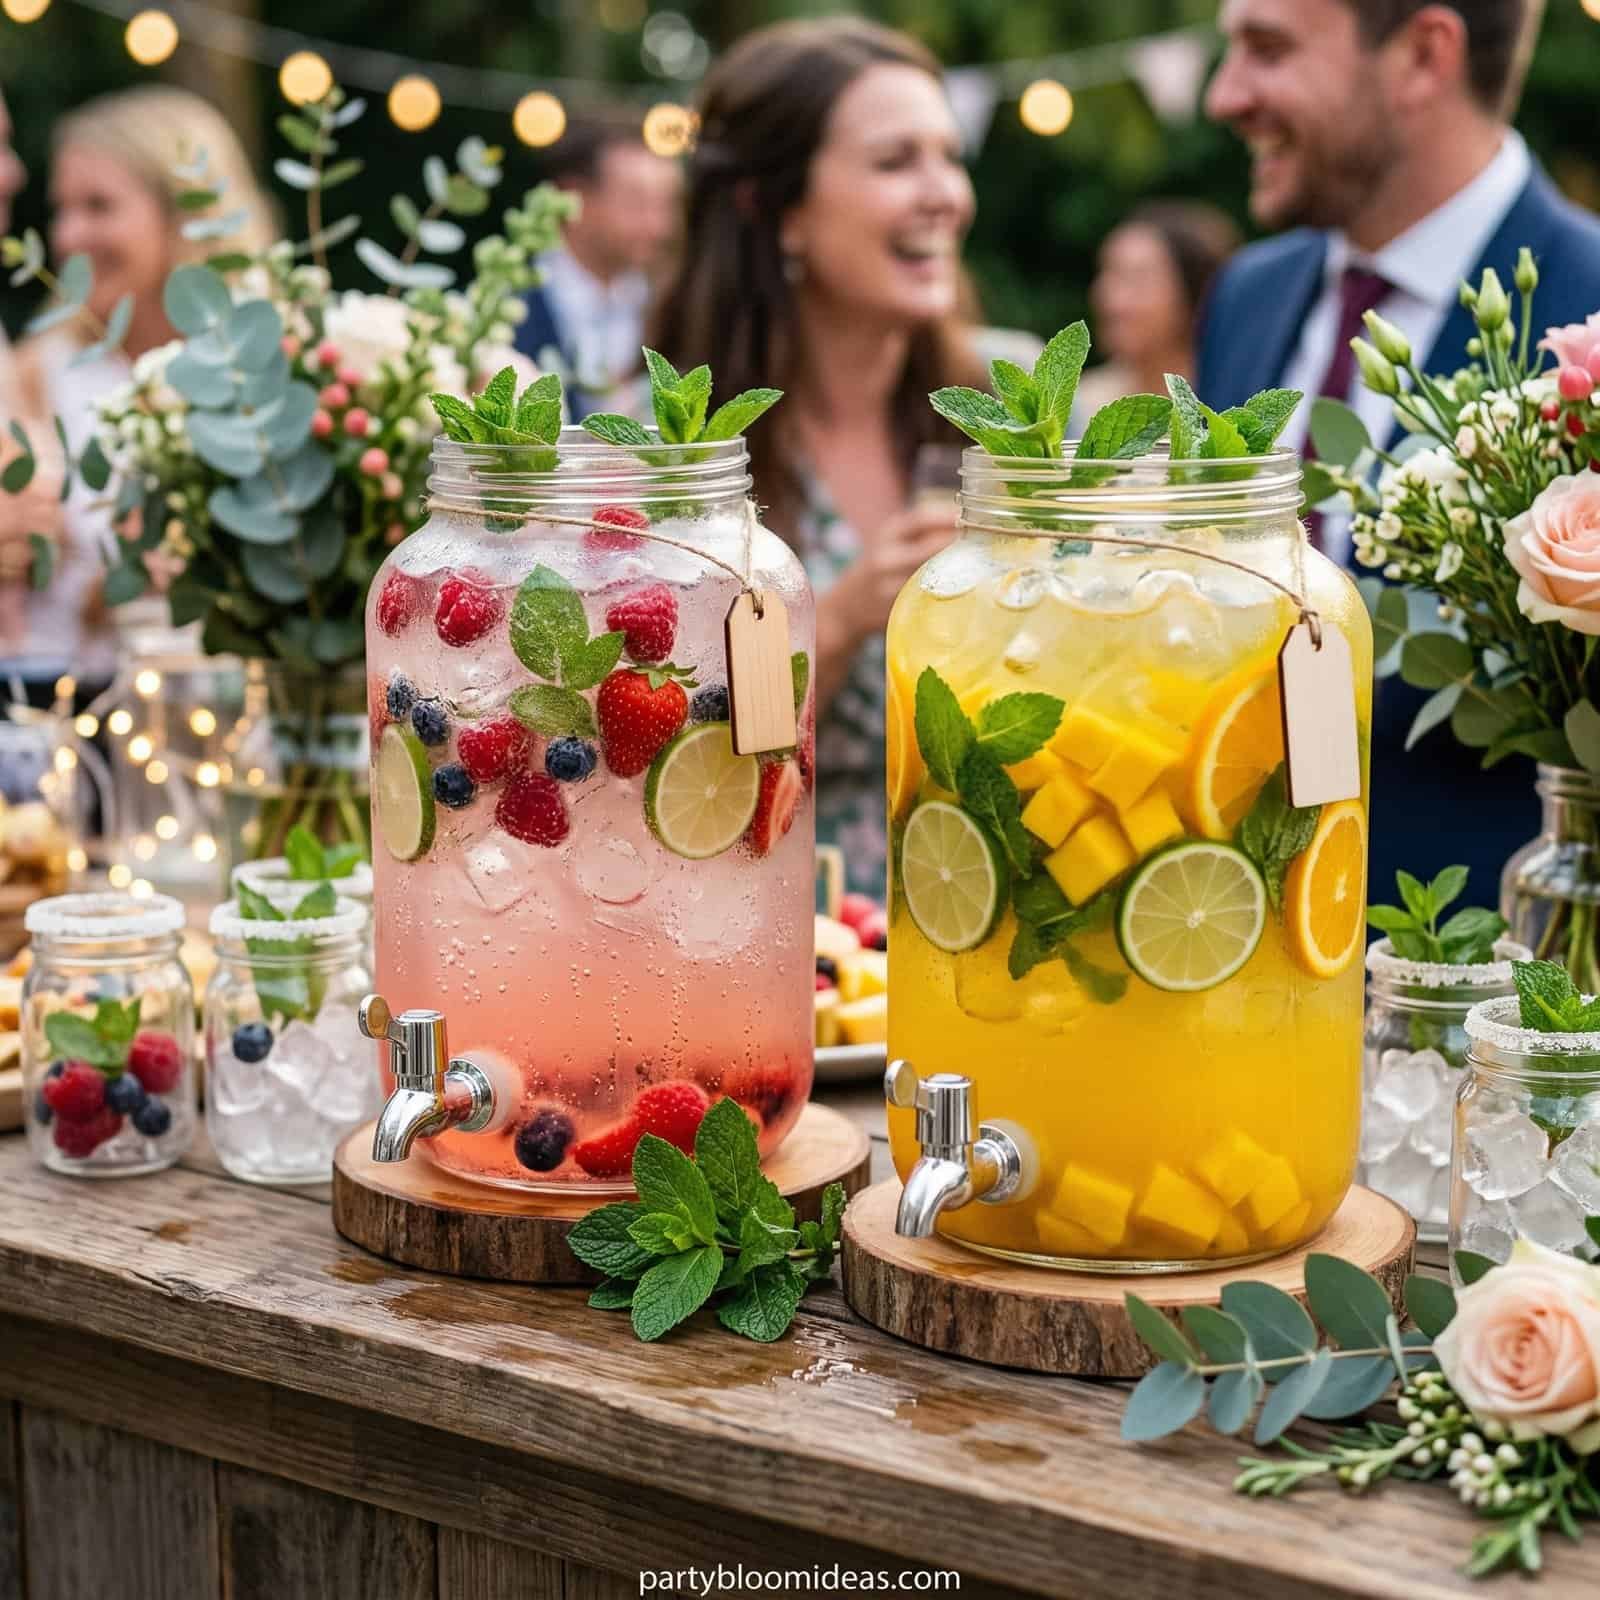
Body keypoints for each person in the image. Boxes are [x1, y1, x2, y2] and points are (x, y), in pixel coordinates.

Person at [1196, 0, 1600, 902]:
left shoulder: (1590, 308)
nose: (1226, 96)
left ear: (1422, 57)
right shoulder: (1248, 297)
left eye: (1267, 49)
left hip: (1500, 980)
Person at [649, 17, 984, 898]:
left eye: (948, 156)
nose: (945, 192)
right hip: (780, 935)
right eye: (895, 162)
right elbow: (657, 762)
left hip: (984, 921)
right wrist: (832, 621)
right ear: (778, 209)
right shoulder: (671, 454)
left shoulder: (999, 415)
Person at [4, 87, 275, 706]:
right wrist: (119, 583)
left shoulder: (267, 368)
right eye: (61, 209)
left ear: (182, 215)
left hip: (255, 719)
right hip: (94, 726)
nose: (70, 236)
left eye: (99, 206)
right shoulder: (32, 377)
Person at [512, 111, 681, 421]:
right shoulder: (511, 309)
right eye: (636, 202)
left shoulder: (674, 308)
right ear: (573, 197)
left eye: (666, 204)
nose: (660, 227)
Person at [1072, 202, 1240, 429]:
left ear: (1196, 292)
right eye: (1108, 274)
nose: (1111, 299)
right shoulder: (1080, 406)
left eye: (1136, 281)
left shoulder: (1234, 402)